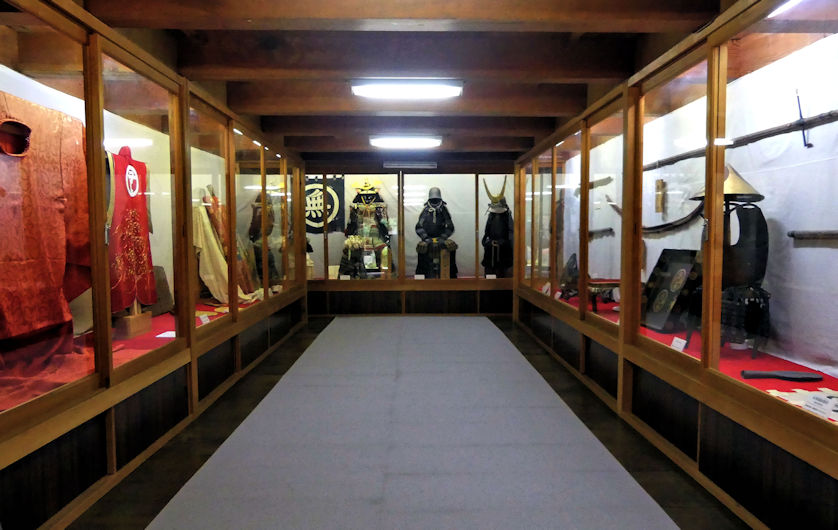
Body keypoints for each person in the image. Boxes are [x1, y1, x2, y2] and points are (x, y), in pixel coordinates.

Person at [415, 187, 458, 278]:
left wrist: (443, 238)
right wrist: (426, 239)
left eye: (436, 199)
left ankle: (451, 277)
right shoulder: (426, 211)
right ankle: (422, 277)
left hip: (441, 239)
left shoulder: (443, 210)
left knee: (451, 248)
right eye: (433, 200)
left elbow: (450, 227)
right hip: (427, 240)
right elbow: (419, 227)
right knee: (421, 250)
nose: (435, 201)